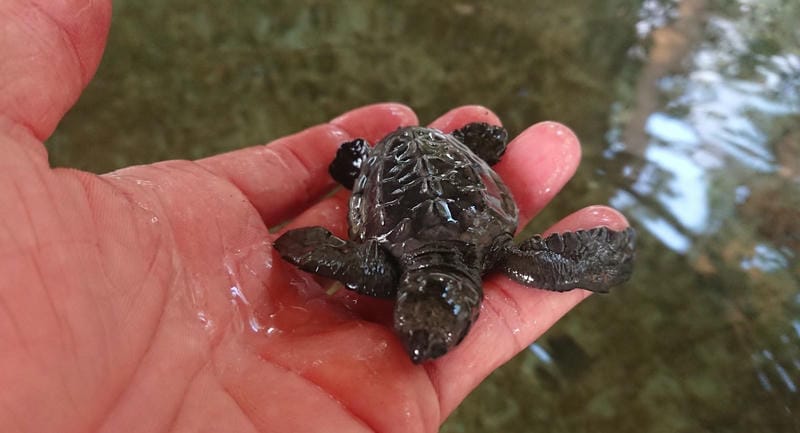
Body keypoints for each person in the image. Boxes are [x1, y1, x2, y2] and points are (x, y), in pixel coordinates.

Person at [0, 2, 630, 432]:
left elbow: (307, 243)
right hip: (425, 169)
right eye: (424, 327)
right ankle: (380, 162)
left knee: (433, 173)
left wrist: (310, 247)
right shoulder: (496, 248)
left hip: (416, 173)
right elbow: (303, 244)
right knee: (535, 242)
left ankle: (382, 164)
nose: (417, 344)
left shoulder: (437, 259)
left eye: (421, 332)